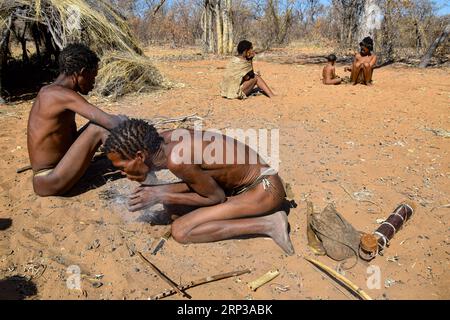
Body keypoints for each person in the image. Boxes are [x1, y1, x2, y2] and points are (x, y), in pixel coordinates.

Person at [103, 119, 295, 255]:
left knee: (181, 230)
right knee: (172, 207)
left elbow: (215, 198)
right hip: (248, 185)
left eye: (122, 167)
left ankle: (269, 224)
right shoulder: (164, 140)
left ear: (139, 156)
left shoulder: (177, 159)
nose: (122, 172)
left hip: (263, 191)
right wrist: (159, 193)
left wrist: (161, 196)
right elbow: (201, 178)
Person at [27, 43, 127, 196]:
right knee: (98, 128)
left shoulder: (52, 91)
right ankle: (137, 168)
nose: (93, 84)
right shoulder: (60, 95)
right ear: (81, 73)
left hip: (56, 173)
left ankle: (132, 163)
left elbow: (67, 140)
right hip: (49, 180)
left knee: (97, 126)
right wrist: (133, 125)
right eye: (92, 77)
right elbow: (109, 123)